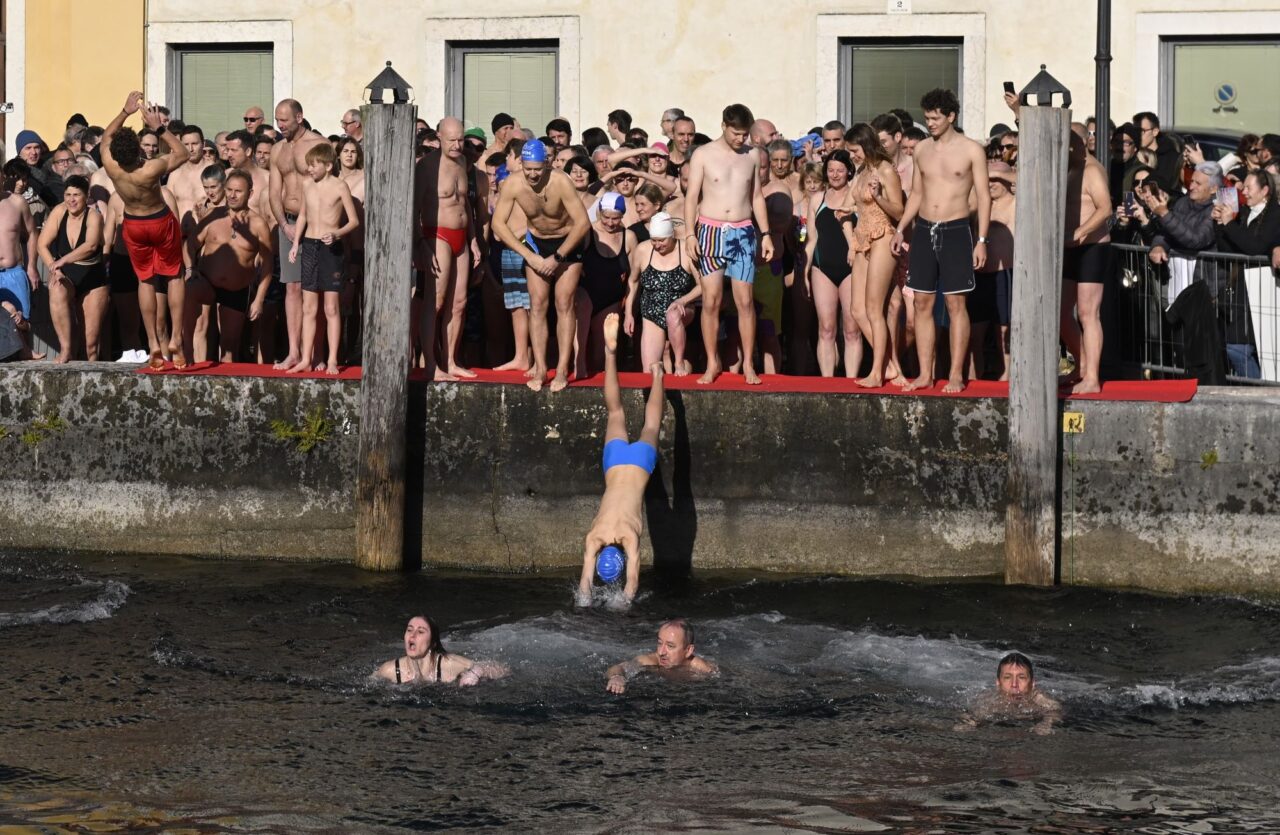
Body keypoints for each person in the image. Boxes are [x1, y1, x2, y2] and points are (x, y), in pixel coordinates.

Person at [891, 88, 991, 393]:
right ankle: (925, 373)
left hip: (957, 230)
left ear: (951, 116)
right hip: (923, 229)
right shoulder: (921, 150)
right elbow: (918, 194)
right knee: (921, 302)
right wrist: (900, 228)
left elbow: (985, 197)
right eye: (927, 118)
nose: (930, 123)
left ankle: (957, 373)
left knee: (955, 303)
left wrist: (982, 239)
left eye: (936, 118)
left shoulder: (972, 150)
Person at [683, 103, 774, 385]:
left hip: (743, 232)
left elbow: (757, 196)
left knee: (745, 301)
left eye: (745, 134)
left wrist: (766, 233)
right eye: (736, 133)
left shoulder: (753, 156)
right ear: (723, 126)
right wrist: (689, 234)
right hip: (709, 231)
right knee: (711, 300)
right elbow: (691, 197)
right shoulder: (703, 154)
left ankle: (748, 363)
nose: (741, 139)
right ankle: (712, 363)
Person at [491, 139, 592, 392]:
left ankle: (561, 370)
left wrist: (557, 257)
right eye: (529, 169)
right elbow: (498, 225)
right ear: (521, 164)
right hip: (536, 244)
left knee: (564, 303)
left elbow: (582, 224)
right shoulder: (513, 183)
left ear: (546, 164)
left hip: (568, 243)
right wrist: (530, 255)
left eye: (538, 169)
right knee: (537, 305)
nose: (534, 174)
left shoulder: (560, 181)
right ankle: (539, 368)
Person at [577, 313, 664, 607]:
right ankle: (610, 354)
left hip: (639, 465)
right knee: (614, 411)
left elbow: (631, 583)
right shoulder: (593, 537)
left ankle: (658, 376)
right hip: (615, 463)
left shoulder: (627, 537)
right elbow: (585, 583)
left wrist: (621, 603)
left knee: (651, 425)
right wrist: (586, 597)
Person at [101, 91, 191, 368]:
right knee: (174, 276)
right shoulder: (151, 168)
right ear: (139, 150)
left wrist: (125, 111)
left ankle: (152, 342)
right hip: (159, 220)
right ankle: (175, 338)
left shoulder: (111, 165)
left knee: (145, 281)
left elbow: (106, 137)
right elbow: (183, 152)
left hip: (133, 224)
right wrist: (159, 128)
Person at [182, 170, 274, 364]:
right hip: (207, 282)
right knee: (191, 290)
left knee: (230, 345)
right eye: (229, 190)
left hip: (237, 288)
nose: (232, 195)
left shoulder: (258, 224)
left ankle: (223, 387)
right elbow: (190, 244)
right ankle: (187, 353)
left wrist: (258, 299)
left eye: (238, 191)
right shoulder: (214, 216)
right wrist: (190, 269)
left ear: (250, 193)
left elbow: (267, 264)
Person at [414, 117, 481, 381]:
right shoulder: (427, 167)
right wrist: (420, 244)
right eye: (451, 139)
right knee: (436, 301)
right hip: (437, 235)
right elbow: (414, 210)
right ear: (439, 137)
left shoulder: (463, 162)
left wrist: (474, 239)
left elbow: (466, 206)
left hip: (462, 236)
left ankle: (450, 360)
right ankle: (430, 363)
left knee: (460, 303)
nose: (456, 145)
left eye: (460, 139)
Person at [286, 143, 359, 375]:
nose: (309, 169)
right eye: (308, 165)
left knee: (331, 308)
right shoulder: (307, 185)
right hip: (309, 245)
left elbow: (354, 221)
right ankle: (306, 358)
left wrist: (336, 233)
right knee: (309, 307)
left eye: (313, 165)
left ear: (328, 166)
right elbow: (303, 216)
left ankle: (332, 360)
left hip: (331, 249)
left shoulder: (340, 186)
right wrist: (296, 243)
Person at [269, 98, 326, 371]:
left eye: (285, 120)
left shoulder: (317, 144)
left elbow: (325, 188)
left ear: (299, 117)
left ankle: (314, 353)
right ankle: (293, 352)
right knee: (291, 287)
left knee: (313, 289)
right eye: (278, 120)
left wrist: (305, 226)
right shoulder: (277, 149)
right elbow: (273, 191)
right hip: (288, 223)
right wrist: (284, 225)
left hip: (314, 224)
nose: (280, 125)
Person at [846, 123, 905, 387]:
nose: (852, 156)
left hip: (883, 236)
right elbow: (853, 202)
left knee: (873, 308)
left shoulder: (885, 170)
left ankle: (877, 372)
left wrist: (879, 197)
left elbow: (900, 212)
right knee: (857, 310)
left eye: (854, 150)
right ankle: (892, 367)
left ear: (867, 145)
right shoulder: (862, 170)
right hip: (861, 239)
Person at [1061, 129, 1114, 395]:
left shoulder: (1091, 170)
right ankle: (1080, 364)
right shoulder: (1068, 168)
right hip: (1071, 247)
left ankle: (1092, 376)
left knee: (1087, 313)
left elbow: (1105, 208)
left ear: (1078, 145)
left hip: (1092, 246)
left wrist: (1079, 232)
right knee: (1061, 314)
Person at [1213, 169, 1279, 378]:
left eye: (1250, 188)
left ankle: (1263, 392)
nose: (1245, 192)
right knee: (1237, 346)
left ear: (1265, 190)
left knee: (1251, 349)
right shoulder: (1244, 213)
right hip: (1243, 289)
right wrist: (1220, 225)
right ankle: (1259, 388)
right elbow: (1229, 249)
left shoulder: (1275, 214)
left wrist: (1230, 224)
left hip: (1266, 290)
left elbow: (1254, 246)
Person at [38, 175, 107, 362]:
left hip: (92, 276)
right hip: (67, 274)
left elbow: (91, 245)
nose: (71, 200)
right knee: (56, 288)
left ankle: (92, 384)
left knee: (90, 345)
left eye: (76, 195)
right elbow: (42, 244)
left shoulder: (95, 216)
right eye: (68, 194)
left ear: (87, 196)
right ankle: (65, 349)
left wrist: (63, 261)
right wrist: (55, 268)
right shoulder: (59, 212)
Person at [803, 151, 858, 378]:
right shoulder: (818, 199)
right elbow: (812, 239)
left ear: (849, 172)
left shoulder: (857, 199)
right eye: (831, 170)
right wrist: (804, 271)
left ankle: (851, 380)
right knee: (826, 328)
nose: (835, 175)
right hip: (822, 268)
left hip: (852, 269)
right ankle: (827, 382)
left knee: (852, 330)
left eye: (840, 170)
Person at [624, 212, 701, 374]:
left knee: (672, 315)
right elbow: (633, 281)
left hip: (681, 310)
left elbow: (703, 286)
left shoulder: (686, 251)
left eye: (661, 240)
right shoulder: (643, 249)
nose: (657, 245)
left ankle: (679, 362)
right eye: (654, 240)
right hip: (651, 312)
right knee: (649, 371)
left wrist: (683, 300)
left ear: (671, 236)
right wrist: (629, 314)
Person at [576, 192, 636, 378]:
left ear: (623, 216)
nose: (610, 223)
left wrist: (629, 311)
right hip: (585, 293)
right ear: (599, 213)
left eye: (615, 219)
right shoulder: (588, 232)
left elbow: (633, 279)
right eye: (606, 217)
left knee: (601, 355)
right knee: (580, 351)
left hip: (611, 298)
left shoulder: (629, 237)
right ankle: (578, 369)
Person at [373, 615, 507, 686]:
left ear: (433, 643)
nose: (412, 635)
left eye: (420, 631)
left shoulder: (448, 664)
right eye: (409, 630)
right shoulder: (390, 670)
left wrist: (476, 672)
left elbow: (503, 669)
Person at [956, 652, 1062, 735]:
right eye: (1007, 677)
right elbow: (972, 714)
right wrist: (968, 724)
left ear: (1032, 683)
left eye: (1021, 677)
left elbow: (1055, 710)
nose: (1014, 684)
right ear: (998, 683)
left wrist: (1046, 723)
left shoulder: (1039, 699)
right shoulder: (989, 701)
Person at [604, 619, 718, 694]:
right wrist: (617, 677)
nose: (661, 652)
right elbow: (619, 667)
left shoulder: (704, 669)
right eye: (659, 643)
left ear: (688, 650)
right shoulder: (650, 661)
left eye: (670, 646)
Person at [0, 166, 41, 353]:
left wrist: (32, 266)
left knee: (22, 323)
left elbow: (33, 233)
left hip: (14, 271)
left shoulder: (17, 202)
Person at [982, 161, 1017, 380]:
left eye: (995, 178)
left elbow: (1027, 180)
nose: (990, 182)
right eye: (987, 178)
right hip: (980, 273)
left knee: (1003, 326)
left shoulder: (1015, 202)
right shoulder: (983, 203)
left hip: (1005, 271)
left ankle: (1007, 373)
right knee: (977, 329)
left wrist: (1002, 173)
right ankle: (975, 373)